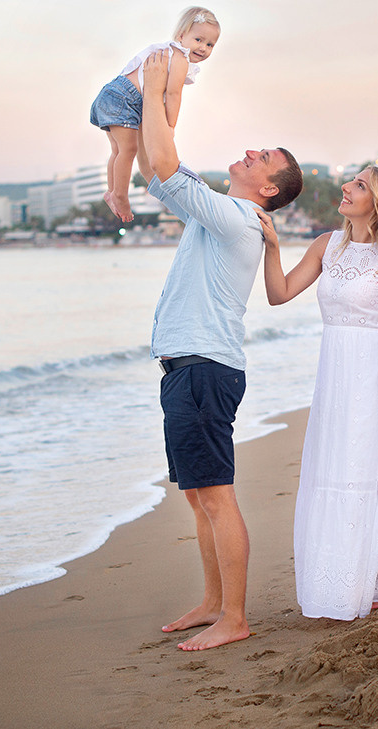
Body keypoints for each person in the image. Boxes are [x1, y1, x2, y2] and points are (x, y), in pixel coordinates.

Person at [137, 50, 303, 651]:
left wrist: (157, 86)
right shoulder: (224, 214)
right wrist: (144, 106)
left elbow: (162, 162)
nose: (252, 151)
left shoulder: (237, 216)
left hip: (205, 370)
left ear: (266, 187)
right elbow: (154, 172)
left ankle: (235, 617)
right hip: (189, 367)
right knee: (196, 494)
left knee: (216, 493)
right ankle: (213, 602)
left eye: (264, 158)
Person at [257, 166, 378, 620]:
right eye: (350, 180)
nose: (346, 187)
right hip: (335, 375)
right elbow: (279, 293)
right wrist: (272, 247)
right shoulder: (326, 245)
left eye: (359, 185)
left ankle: (374, 583)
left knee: (367, 475)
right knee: (332, 470)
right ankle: (335, 580)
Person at [90, 7, 221, 223]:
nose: (203, 48)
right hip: (126, 98)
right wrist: (170, 125)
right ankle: (120, 195)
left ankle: (111, 192)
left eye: (210, 45)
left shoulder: (166, 52)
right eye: (198, 39)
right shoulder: (179, 57)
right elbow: (173, 93)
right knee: (128, 149)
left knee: (117, 150)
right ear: (181, 36)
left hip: (112, 93)